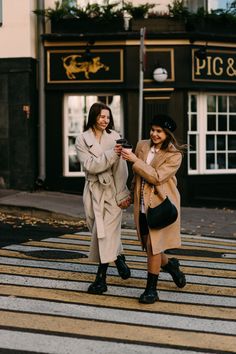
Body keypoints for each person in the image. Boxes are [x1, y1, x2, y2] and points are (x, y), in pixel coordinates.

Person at [121, 114, 187, 304]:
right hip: (141, 203)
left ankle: (151, 290)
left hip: (160, 204)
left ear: (167, 134)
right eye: (152, 130)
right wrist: (130, 194)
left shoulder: (174, 155)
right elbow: (137, 175)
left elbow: (157, 177)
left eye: (159, 131)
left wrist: (134, 160)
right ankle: (172, 266)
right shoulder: (142, 145)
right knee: (148, 245)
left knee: (152, 247)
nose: (154, 134)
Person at [75, 102, 131, 295]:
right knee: (97, 230)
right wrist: (111, 154)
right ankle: (119, 257)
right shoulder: (82, 139)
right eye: (101, 116)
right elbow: (90, 165)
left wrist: (122, 194)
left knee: (104, 234)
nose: (105, 120)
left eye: (107, 117)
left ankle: (101, 279)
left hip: (112, 191)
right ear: (93, 117)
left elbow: (121, 170)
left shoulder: (115, 137)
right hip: (92, 191)